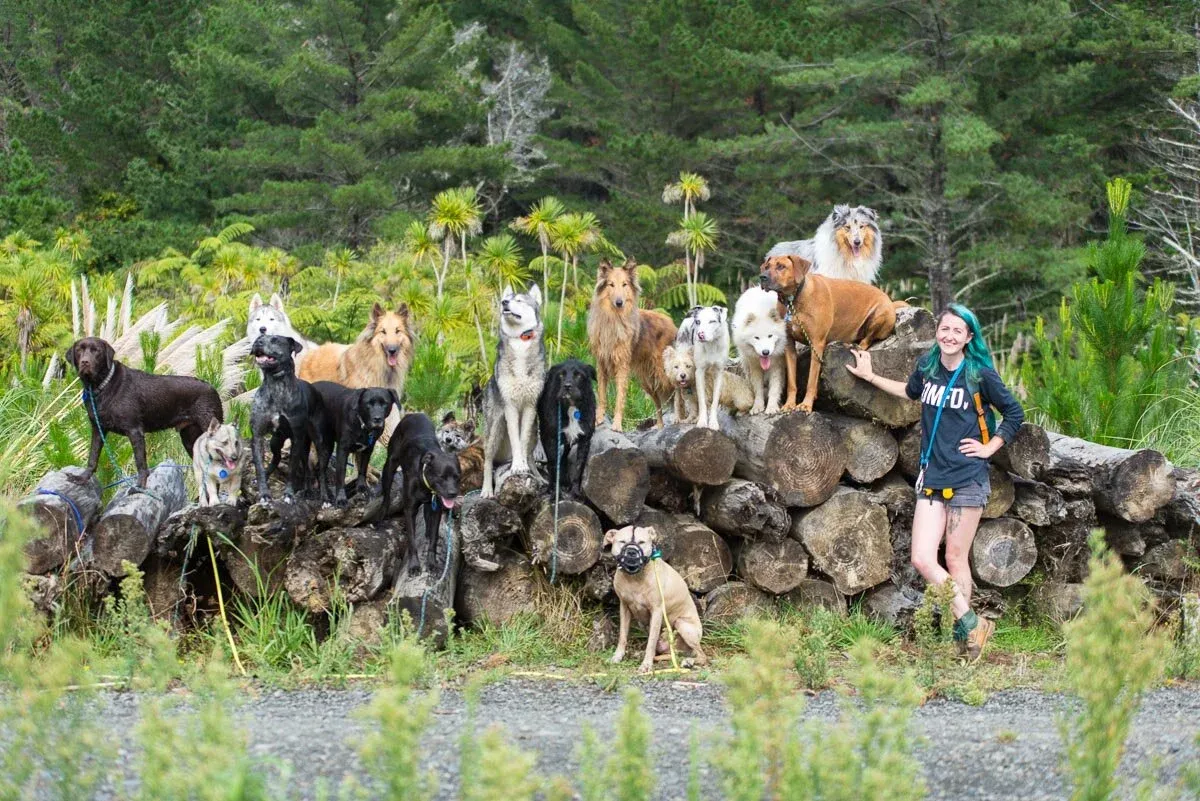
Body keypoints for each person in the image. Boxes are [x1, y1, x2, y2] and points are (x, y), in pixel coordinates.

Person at [846, 303, 1024, 661]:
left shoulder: (980, 374)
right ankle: (974, 622)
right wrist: (870, 377)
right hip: (931, 475)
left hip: (968, 477)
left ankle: (967, 640)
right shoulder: (928, 368)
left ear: (969, 337)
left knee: (957, 558)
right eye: (945, 329)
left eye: (958, 331)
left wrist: (990, 447)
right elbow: (910, 393)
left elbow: (1014, 412)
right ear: (937, 332)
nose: (950, 335)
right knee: (923, 558)